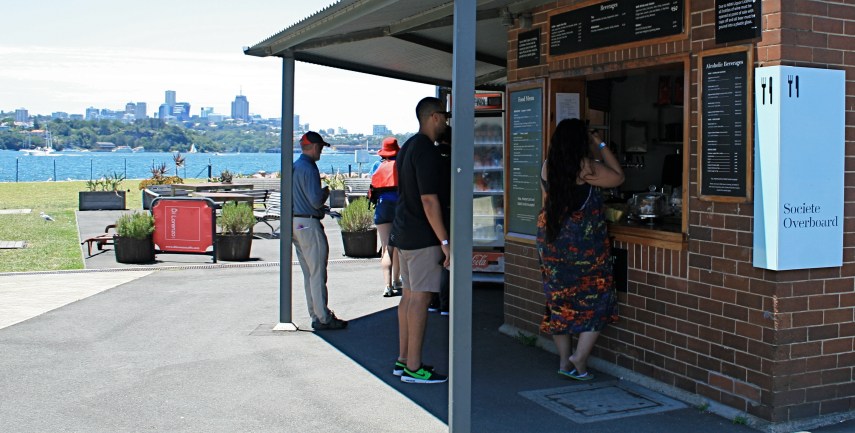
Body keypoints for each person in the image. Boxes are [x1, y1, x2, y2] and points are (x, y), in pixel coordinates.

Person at [537, 118, 624, 380]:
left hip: (551, 244)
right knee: (599, 301)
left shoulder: (547, 166)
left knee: (559, 301)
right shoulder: (586, 167)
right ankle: (580, 359)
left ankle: (564, 362)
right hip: (585, 250)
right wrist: (601, 142)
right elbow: (619, 177)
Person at [389, 97, 450, 384]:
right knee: (421, 299)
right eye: (445, 117)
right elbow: (429, 200)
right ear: (434, 117)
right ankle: (415, 367)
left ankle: (403, 360)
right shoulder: (426, 150)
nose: (447, 123)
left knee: (409, 297)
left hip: (404, 233)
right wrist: (445, 241)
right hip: (423, 236)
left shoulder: (408, 147)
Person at [292, 131, 348, 331]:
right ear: (315, 147)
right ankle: (323, 317)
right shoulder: (309, 168)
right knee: (317, 272)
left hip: (296, 223)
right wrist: (327, 191)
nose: (321, 151)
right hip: (308, 223)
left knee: (309, 273)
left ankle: (316, 313)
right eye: (321, 148)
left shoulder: (297, 166)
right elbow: (315, 200)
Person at [369, 137, 402, 297]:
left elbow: (373, 185)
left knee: (386, 248)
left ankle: (387, 286)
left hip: (382, 208)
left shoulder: (377, 165)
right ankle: (397, 280)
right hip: (400, 208)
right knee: (399, 246)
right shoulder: (401, 164)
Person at [429, 126, 452, 316]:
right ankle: (446, 303)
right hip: (451, 211)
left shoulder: (431, 155)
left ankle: (433, 300)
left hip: (433, 213)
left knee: (435, 258)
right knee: (448, 260)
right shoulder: (456, 155)